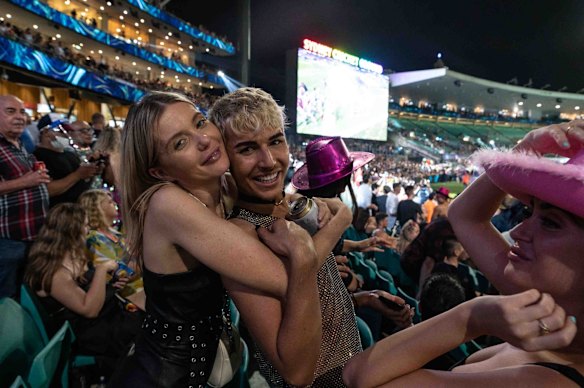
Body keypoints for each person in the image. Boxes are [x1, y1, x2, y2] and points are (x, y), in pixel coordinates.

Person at [342, 120, 584, 386]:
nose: (517, 232)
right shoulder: (551, 310)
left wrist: (474, 316)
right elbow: (465, 216)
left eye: (550, 223)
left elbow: (358, 376)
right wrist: (524, 149)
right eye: (529, 212)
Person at [110, 91, 322, 387]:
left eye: (199, 123)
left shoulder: (224, 187)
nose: (204, 140)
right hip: (160, 377)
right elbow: (286, 277)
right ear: (160, 171)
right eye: (180, 143)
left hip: (205, 370)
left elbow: (278, 206)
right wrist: (338, 225)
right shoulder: (166, 202)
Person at [209, 88, 411, 386]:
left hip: (351, 367)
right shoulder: (241, 233)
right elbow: (296, 371)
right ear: (224, 159)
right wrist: (339, 220)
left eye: (275, 141)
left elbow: (303, 309)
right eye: (247, 149)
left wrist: (362, 300)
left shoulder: (288, 210)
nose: (268, 161)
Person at [24, 203, 143, 381]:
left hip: (99, 322)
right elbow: (89, 309)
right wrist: (102, 270)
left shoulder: (69, 257)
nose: (88, 230)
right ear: (72, 231)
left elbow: (86, 291)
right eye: (85, 226)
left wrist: (110, 285)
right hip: (86, 335)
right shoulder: (54, 272)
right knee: (146, 326)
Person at [0, 95, 50, 298]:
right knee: (7, 303)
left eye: (22, 112)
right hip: (8, 241)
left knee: (26, 300)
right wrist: (25, 182)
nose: (20, 117)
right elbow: (26, 182)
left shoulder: (20, 145)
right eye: (11, 111)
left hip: (32, 238)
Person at [78, 189, 145, 310]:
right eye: (109, 202)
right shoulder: (95, 239)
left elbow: (133, 259)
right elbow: (120, 274)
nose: (114, 203)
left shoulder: (114, 233)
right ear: (97, 209)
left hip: (143, 287)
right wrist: (143, 257)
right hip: (129, 298)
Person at [34, 115, 101, 207]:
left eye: (68, 131)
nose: (67, 135)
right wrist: (78, 175)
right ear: (46, 132)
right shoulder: (38, 157)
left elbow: (82, 177)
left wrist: (92, 168)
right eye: (62, 131)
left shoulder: (70, 154)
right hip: (60, 214)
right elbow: (47, 190)